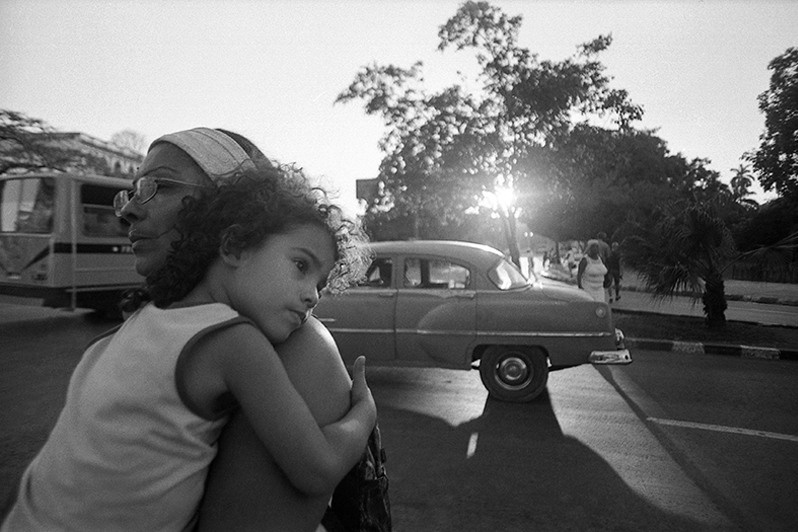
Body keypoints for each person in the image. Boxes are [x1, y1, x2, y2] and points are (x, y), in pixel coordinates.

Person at [2, 152, 377, 531]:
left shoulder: (129, 328)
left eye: (320, 284)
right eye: (301, 266)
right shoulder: (236, 343)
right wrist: (363, 415)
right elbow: (316, 470)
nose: (313, 296)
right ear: (234, 247)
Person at [122, 128, 360, 531]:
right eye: (133, 190)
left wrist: (365, 412)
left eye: (159, 186)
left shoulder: (298, 348)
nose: (128, 209)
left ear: (229, 215)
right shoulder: (155, 321)